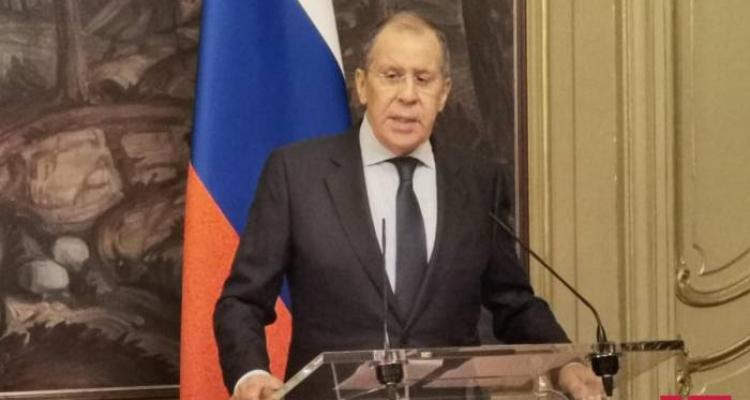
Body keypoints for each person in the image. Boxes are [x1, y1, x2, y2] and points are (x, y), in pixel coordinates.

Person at [214, 12, 604, 400]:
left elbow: (513, 303)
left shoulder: (477, 180)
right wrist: (250, 373)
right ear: (362, 85)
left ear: (444, 93)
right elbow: (242, 301)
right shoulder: (297, 174)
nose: (407, 95)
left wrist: (565, 363)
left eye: (423, 78)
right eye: (392, 75)